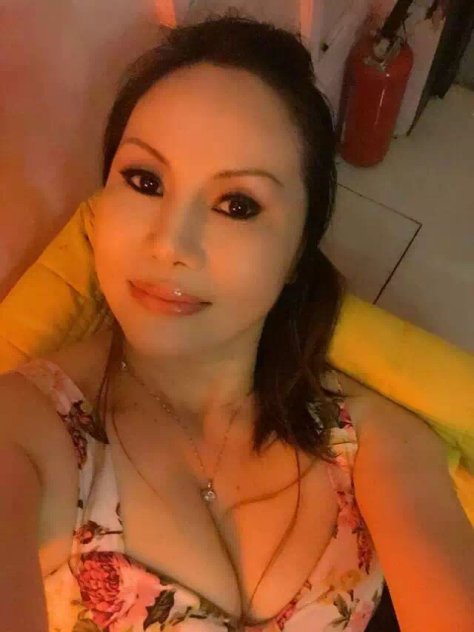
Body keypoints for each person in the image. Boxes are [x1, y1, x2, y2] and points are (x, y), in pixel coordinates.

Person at [1, 11, 473, 632]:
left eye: (238, 204)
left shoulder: (374, 440)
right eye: (144, 180)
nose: (170, 243)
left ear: (297, 254)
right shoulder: (27, 430)